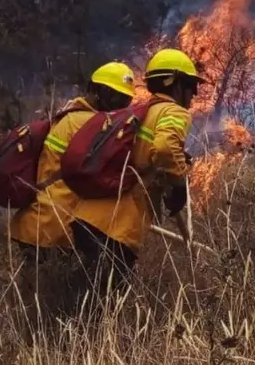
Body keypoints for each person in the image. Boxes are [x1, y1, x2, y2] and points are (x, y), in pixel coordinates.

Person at [68, 49, 201, 312]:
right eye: (191, 86)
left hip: (87, 216)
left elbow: (143, 156)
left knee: (84, 301)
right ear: (174, 83)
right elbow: (163, 148)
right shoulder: (173, 111)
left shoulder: (140, 112)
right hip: (116, 226)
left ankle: (62, 345)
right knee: (103, 308)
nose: (194, 94)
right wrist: (178, 185)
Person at [7, 62, 136, 324]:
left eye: (123, 100)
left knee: (37, 307)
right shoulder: (88, 122)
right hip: (53, 227)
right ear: (95, 91)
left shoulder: (70, 115)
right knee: (56, 312)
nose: (116, 104)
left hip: (36, 223)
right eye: (112, 96)